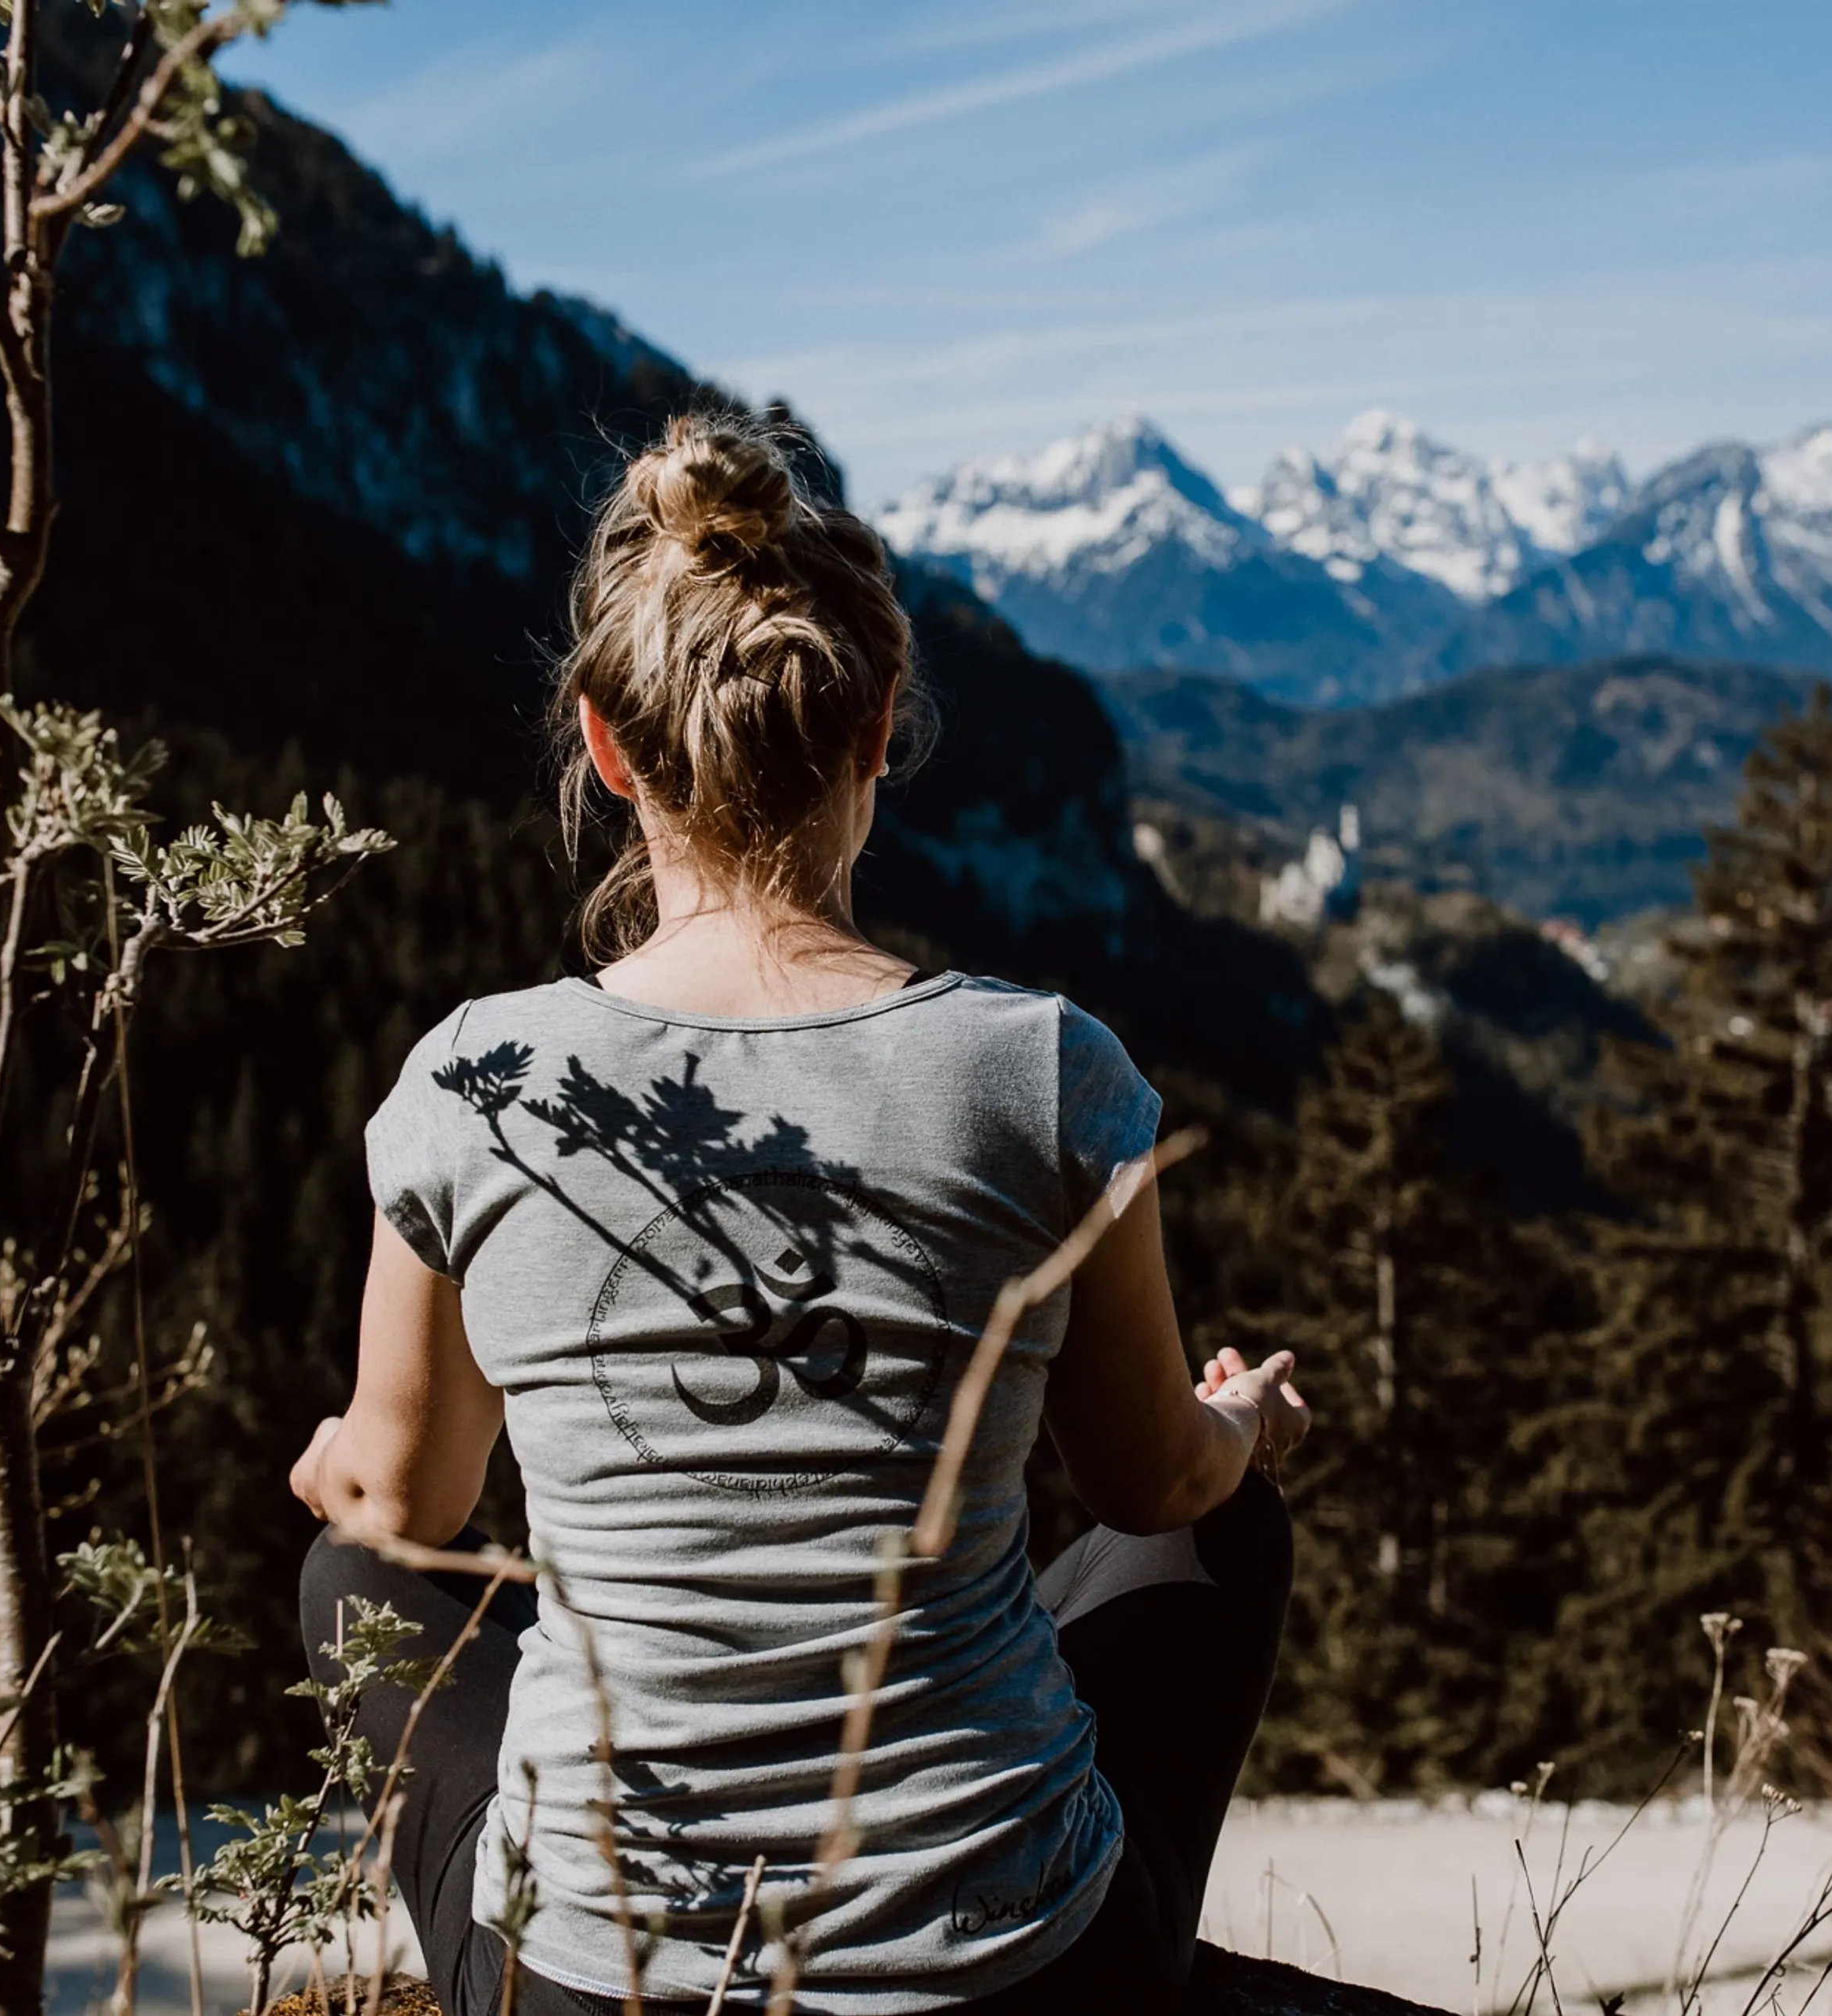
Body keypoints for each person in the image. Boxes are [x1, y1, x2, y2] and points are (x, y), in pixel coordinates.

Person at [289, 410, 1313, 2016]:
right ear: (878, 732)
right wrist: (1237, 1424)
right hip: (1007, 1981)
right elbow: (1149, 1478)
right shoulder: (1042, 1069)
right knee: (1223, 1528)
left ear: (608, 747)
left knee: (346, 1588)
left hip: (597, 1979)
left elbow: (402, 1497)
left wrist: (336, 1467)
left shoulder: (477, 1080)